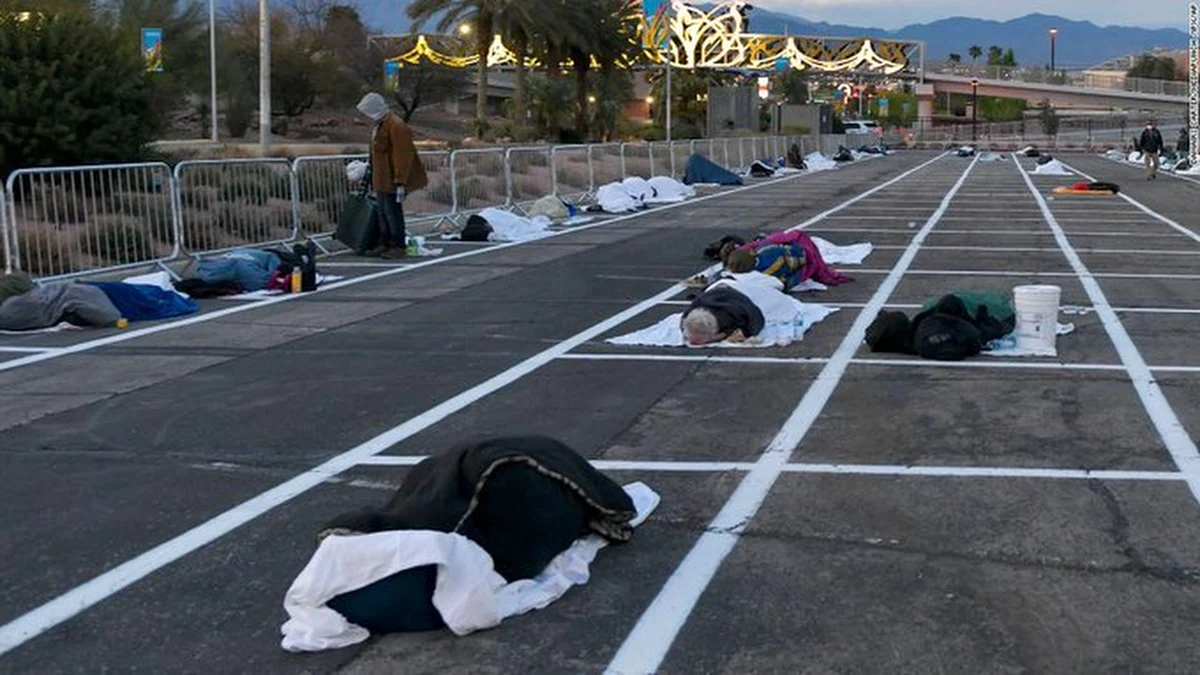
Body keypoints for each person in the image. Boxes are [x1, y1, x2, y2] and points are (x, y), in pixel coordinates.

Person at [356, 92, 429, 258]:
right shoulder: (380, 125)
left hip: (391, 179)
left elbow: (402, 155)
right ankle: (385, 243)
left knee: (392, 213)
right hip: (381, 178)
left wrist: (400, 180)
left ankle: (397, 245)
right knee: (382, 213)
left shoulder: (396, 125)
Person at [680, 284, 764, 346]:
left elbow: (757, 320)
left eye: (699, 339)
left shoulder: (737, 314)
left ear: (713, 333)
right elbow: (683, 322)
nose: (691, 341)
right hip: (714, 291)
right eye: (689, 335)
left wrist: (741, 333)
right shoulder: (692, 310)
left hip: (739, 290)